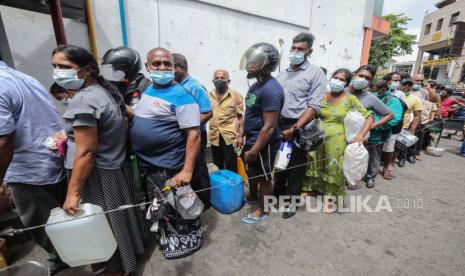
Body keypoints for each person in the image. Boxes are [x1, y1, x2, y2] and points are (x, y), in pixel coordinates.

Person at [52, 45, 145, 275]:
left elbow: (86, 152)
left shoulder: (84, 100)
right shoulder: (104, 91)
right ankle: (125, 260)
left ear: (85, 71)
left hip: (98, 174)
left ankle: (115, 268)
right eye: (54, 66)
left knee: (104, 223)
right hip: (113, 166)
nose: (57, 71)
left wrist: (72, 193)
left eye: (64, 67)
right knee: (117, 219)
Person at [130, 47, 203, 257]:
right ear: (147, 67)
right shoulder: (149, 90)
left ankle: (185, 243)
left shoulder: (182, 95)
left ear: (173, 68)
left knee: (177, 207)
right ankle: (165, 236)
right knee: (161, 206)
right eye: (157, 64)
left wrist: (187, 170)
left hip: (169, 165)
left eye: (167, 64)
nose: (162, 68)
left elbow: (194, 135)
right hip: (150, 164)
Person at [0, 58, 68, 274]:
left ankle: (62, 258)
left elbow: (5, 139)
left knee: (37, 219)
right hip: (49, 156)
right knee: (60, 214)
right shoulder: (22, 77)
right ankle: (73, 251)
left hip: (28, 167)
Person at [302, 69, 372, 213]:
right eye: (335, 77)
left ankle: (329, 197)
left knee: (333, 166)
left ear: (346, 83)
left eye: (342, 79)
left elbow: (369, 117)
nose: (337, 81)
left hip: (337, 139)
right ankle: (309, 188)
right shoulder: (321, 96)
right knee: (313, 161)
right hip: (318, 136)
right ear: (330, 78)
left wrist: (362, 135)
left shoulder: (350, 99)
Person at [274, 32, 327, 218]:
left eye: (300, 49)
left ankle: (292, 202)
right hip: (278, 125)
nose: (295, 52)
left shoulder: (315, 73)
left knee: (296, 167)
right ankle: (278, 194)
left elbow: (313, 105)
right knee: (279, 163)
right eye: (293, 48)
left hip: (299, 127)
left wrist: (295, 128)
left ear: (309, 51)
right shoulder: (282, 74)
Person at [239, 42, 284, 224]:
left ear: (266, 64)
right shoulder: (256, 86)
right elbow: (249, 112)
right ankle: (253, 195)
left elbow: (269, 127)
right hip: (252, 139)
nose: (250, 64)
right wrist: (242, 132)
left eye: (254, 61)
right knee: (253, 171)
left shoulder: (271, 90)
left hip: (263, 143)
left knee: (265, 177)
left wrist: (254, 151)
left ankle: (263, 208)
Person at [172, 53, 212, 207]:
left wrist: (189, 125)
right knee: (191, 168)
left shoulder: (194, 86)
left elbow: (208, 112)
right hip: (185, 135)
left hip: (197, 134)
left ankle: (205, 202)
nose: (168, 71)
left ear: (180, 68)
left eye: (171, 67)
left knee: (199, 168)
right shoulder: (178, 86)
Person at [349, 65, 393, 188]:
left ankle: (370, 177)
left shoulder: (370, 98)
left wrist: (372, 125)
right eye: (361, 76)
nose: (363, 79)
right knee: (348, 159)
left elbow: (389, 114)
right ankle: (348, 178)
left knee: (364, 159)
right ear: (354, 75)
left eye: (367, 78)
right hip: (344, 133)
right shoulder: (342, 92)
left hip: (361, 135)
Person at [208, 69, 244, 172]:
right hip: (214, 136)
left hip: (230, 136)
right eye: (217, 78)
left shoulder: (236, 96)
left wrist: (241, 136)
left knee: (231, 166)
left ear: (228, 81)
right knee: (217, 166)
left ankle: (232, 186)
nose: (219, 79)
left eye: (222, 78)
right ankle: (222, 187)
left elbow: (240, 117)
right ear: (213, 81)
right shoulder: (208, 96)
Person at [368, 80, 403, 182]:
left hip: (377, 135)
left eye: (374, 90)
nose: (372, 92)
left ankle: (371, 177)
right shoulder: (372, 96)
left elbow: (393, 119)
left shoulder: (393, 101)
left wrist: (373, 125)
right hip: (362, 132)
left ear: (383, 89)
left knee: (374, 158)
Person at [396, 78, 423, 167]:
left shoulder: (415, 99)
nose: (407, 86)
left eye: (409, 85)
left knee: (402, 144)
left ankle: (402, 159)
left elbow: (417, 116)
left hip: (404, 125)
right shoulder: (393, 95)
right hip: (390, 124)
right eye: (404, 84)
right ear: (400, 84)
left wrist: (412, 129)